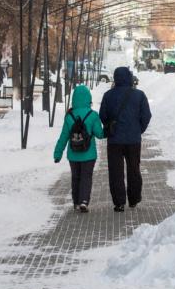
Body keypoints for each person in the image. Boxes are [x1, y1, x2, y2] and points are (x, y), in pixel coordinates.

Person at [99, 66, 152, 212]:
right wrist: (138, 130)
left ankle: (119, 202)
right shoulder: (139, 95)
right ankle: (134, 199)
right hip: (133, 140)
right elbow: (146, 116)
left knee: (115, 171)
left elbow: (102, 115)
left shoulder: (108, 95)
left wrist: (110, 125)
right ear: (129, 78)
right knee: (134, 169)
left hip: (114, 140)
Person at [54, 84, 105, 213]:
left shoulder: (69, 116)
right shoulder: (93, 115)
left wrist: (57, 154)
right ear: (88, 98)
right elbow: (100, 134)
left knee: (75, 177)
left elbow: (63, 137)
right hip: (89, 154)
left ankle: (76, 202)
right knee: (86, 177)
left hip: (73, 154)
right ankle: (84, 201)